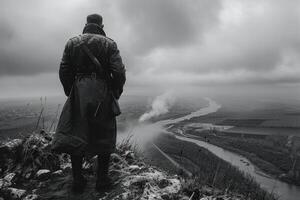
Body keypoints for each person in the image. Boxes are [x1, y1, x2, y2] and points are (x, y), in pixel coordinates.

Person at [58, 14, 126, 193]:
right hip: (102, 91)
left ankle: (78, 180)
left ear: (86, 25)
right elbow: (118, 72)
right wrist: (116, 92)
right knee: (104, 131)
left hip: (79, 90)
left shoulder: (72, 43)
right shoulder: (109, 44)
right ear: (102, 25)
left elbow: (64, 70)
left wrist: (70, 91)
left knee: (76, 132)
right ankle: (102, 180)